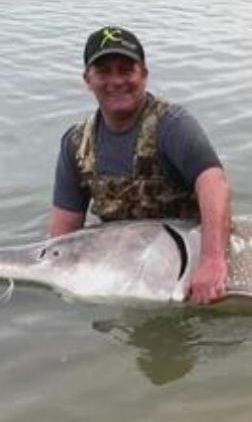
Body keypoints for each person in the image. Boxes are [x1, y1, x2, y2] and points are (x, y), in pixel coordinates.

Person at [49, 26, 230, 303]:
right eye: (104, 71)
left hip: (188, 258)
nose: (116, 81)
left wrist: (212, 261)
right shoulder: (76, 144)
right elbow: (61, 238)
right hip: (132, 263)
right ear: (87, 79)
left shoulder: (172, 125)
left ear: (144, 74)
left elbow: (213, 182)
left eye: (126, 70)